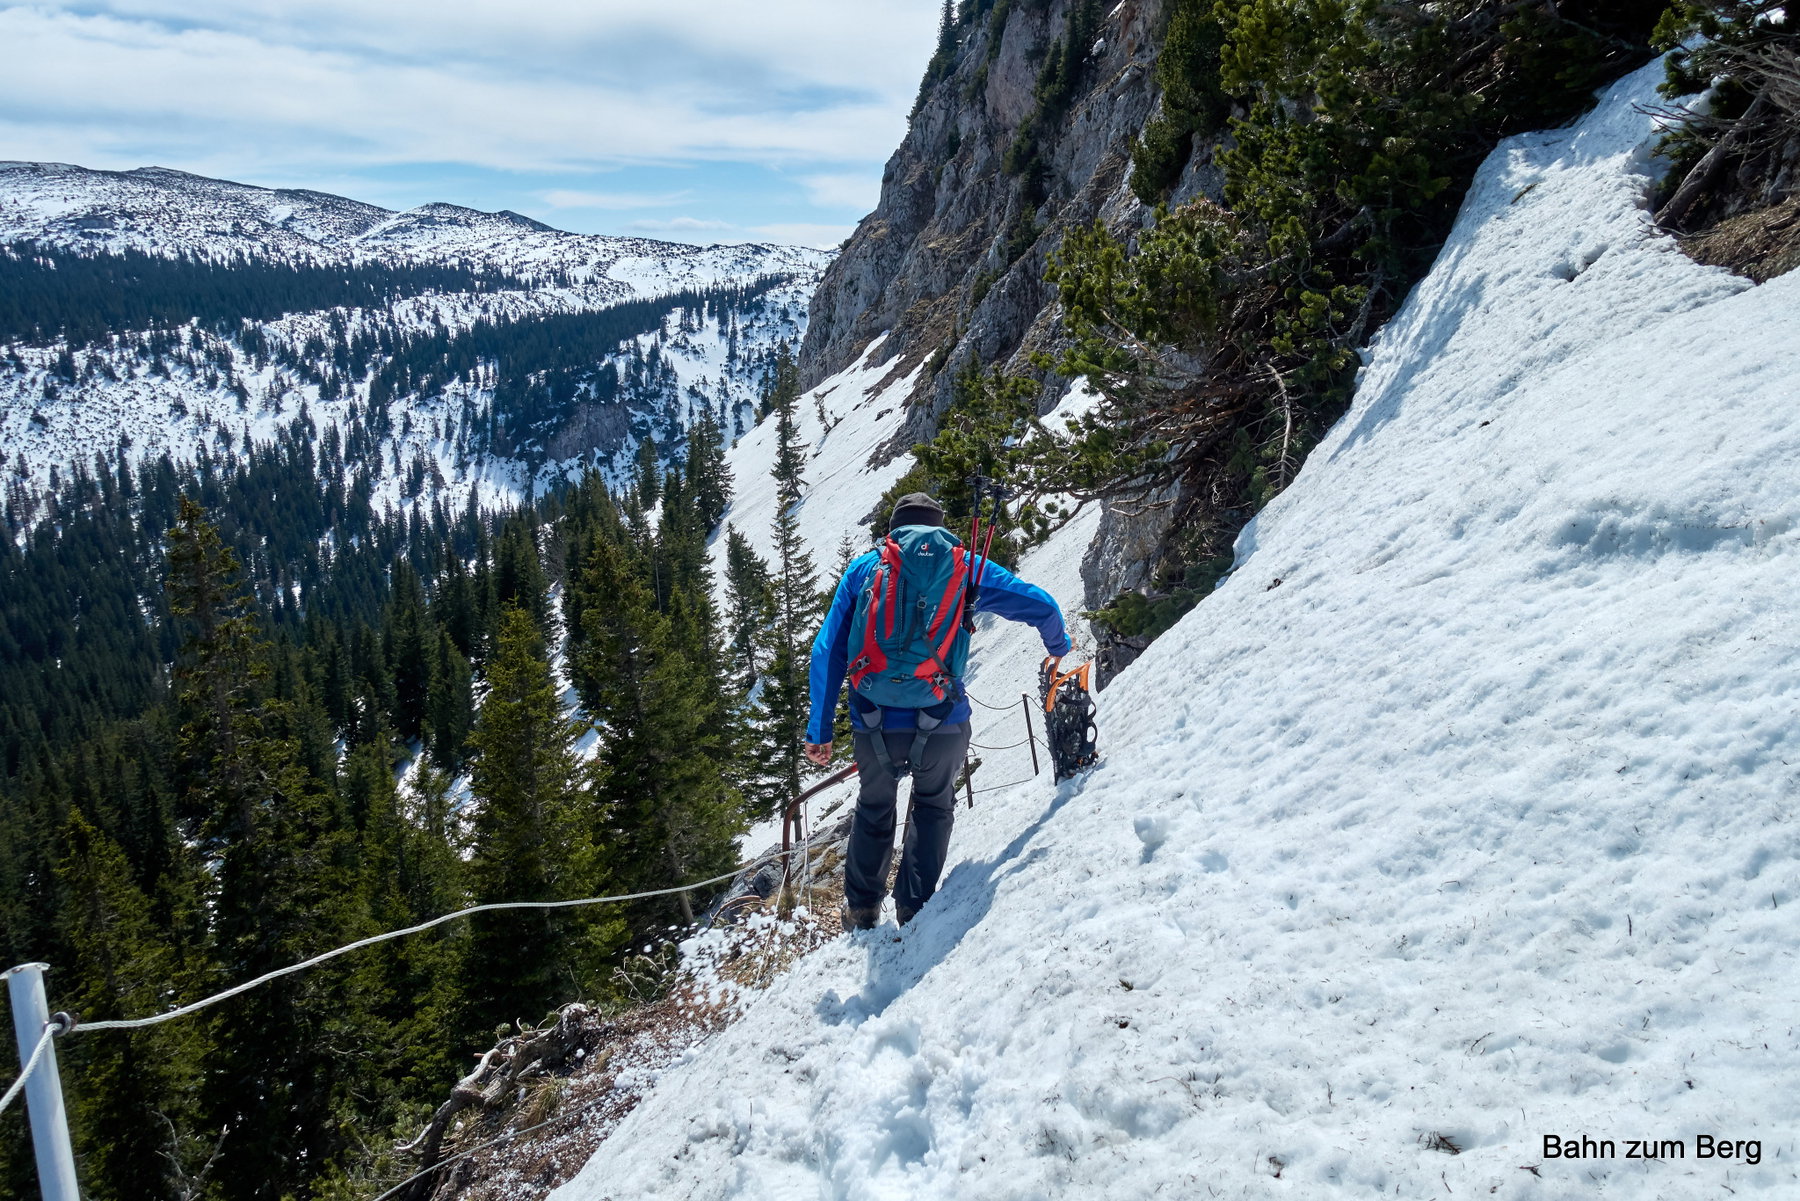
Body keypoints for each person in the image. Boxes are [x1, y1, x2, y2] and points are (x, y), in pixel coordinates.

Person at [804, 492, 1071, 930]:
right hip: (942, 717)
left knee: (874, 807)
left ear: (893, 529)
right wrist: (1058, 645)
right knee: (933, 806)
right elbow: (1040, 605)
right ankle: (914, 907)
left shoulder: (865, 568)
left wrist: (819, 730)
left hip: (874, 721)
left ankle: (862, 911)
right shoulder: (966, 566)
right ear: (939, 526)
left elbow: (827, 650)